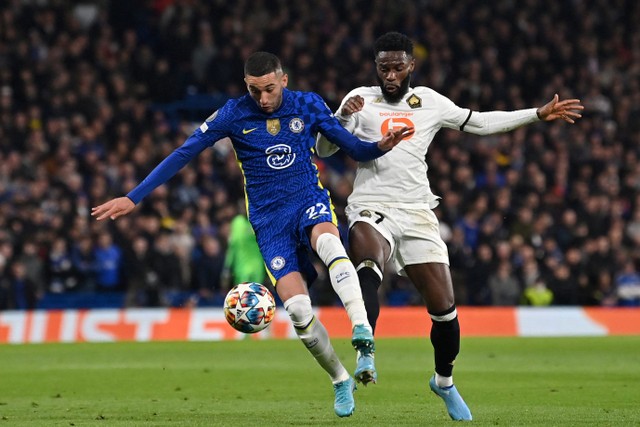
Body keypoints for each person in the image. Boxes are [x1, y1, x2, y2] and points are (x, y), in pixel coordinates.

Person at [92, 51, 413, 418]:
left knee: (328, 242)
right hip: (268, 221)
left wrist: (379, 146)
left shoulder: (307, 104)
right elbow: (184, 153)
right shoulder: (232, 113)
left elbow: (352, 147)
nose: (263, 99)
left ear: (284, 80)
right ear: (246, 86)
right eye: (255, 91)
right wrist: (134, 198)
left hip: (308, 198)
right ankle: (340, 379)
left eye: (270, 90)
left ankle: (362, 332)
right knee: (298, 312)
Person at [316, 31, 584, 421]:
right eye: (383, 68)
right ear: (375, 68)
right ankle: (365, 352)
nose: (390, 75)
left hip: (418, 212)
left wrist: (536, 115)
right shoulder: (358, 99)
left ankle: (443, 382)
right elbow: (325, 149)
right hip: (370, 205)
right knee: (367, 265)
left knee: (445, 312)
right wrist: (341, 117)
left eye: (397, 67)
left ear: (411, 65)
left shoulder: (431, 102)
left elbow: (481, 124)